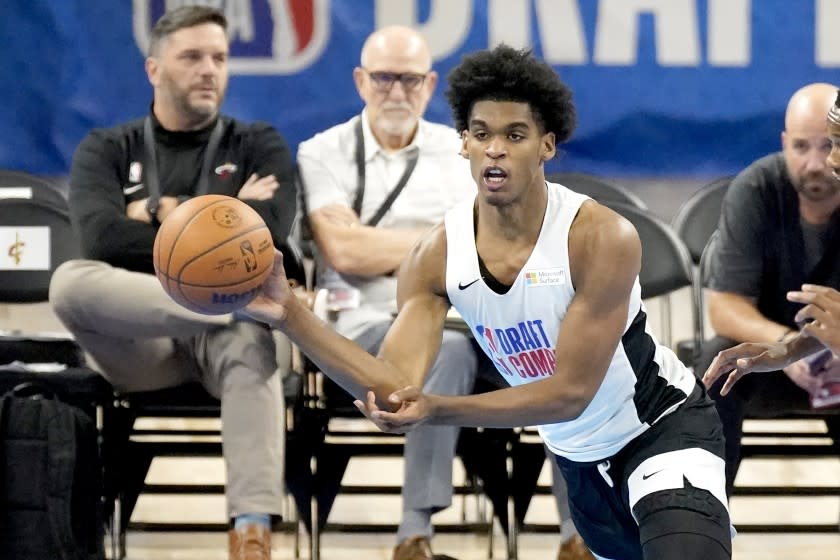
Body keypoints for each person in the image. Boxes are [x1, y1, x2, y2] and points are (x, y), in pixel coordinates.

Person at [246, 45, 732, 560]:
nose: (494, 149)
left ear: (546, 146)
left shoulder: (599, 236)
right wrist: (290, 315)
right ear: (464, 145)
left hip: (659, 429)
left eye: (514, 135)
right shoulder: (435, 255)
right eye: (481, 134)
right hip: (580, 461)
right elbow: (394, 387)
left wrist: (437, 408)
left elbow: (570, 393)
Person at [297, 26, 591, 560]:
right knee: (448, 350)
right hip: (366, 320)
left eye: (409, 79)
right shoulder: (323, 153)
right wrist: (445, 239)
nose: (396, 91)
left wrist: (430, 245)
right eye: (383, 78)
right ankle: (414, 535)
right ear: (361, 82)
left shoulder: (463, 147)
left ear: (429, 85)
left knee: (554, 353)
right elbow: (344, 252)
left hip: (478, 310)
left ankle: (580, 534)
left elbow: (495, 239)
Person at [48, 7, 297, 560]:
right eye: (192, 57)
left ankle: (251, 532)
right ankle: (228, 308)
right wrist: (225, 219)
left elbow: (271, 235)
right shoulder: (106, 148)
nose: (209, 69)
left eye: (219, 58)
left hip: (226, 342)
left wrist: (159, 215)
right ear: (155, 69)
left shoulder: (259, 143)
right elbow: (100, 240)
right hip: (144, 338)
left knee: (249, 339)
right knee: (69, 282)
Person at [694, 82, 840, 496]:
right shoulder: (756, 189)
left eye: (832, 144)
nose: (820, 162)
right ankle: (701, 518)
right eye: (802, 146)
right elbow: (724, 308)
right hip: (796, 359)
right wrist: (789, 346)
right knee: (716, 362)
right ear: (784, 143)